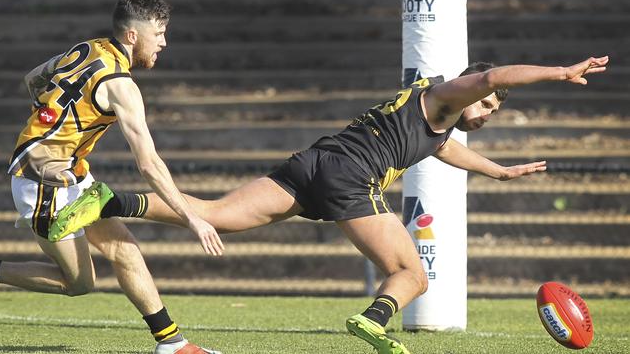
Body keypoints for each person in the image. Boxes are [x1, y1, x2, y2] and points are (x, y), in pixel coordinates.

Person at [49, 56, 608, 354]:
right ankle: (373, 319)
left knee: (217, 214)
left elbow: (446, 149)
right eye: (483, 102)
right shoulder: (446, 94)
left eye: (492, 108)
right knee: (411, 273)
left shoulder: (436, 123)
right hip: (349, 176)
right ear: (466, 90)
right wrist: (560, 72)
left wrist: (499, 169)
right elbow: (490, 75)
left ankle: (109, 199)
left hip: (314, 164)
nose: (485, 109)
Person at [0, 0, 222, 354]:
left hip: (71, 175)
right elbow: (149, 164)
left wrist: (47, 120)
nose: (164, 43)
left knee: (125, 249)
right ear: (132, 36)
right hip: (43, 183)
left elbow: (33, 79)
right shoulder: (121, 86)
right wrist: (192, 219)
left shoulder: (87, 48)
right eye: (159, 34)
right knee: (78, 284)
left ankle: (172, 343)